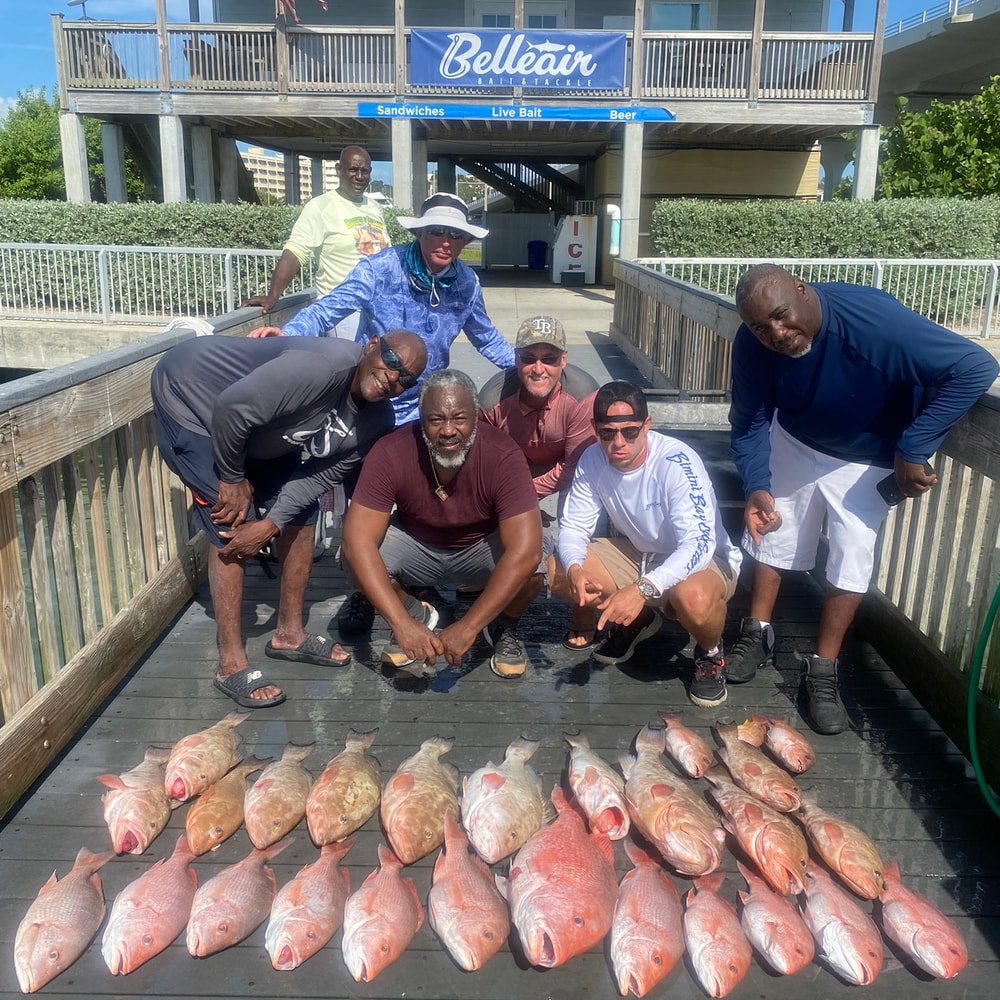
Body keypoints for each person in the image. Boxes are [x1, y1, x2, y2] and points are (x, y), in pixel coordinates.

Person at [727, 263, 998, 734]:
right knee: (771, 533)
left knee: (851, 558)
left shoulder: (873, 324)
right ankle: (757, 632)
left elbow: (976, 366)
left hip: (869, 455)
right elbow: (749, 418)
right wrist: (756, 482)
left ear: (802, 289)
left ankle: (824, 668)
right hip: (794, 437)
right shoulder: (752, 343)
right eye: (759, 326)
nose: (776, 332)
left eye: (781, 315)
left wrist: (915, 446)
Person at [252, 192, 516, 637]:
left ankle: (412, 581)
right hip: (370, 407)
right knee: (363, 503)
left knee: (422, 498)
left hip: (425, 412)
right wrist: (286, 335)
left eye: (457, 234)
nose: (446, 241)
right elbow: (329, 307)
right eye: (437, 231)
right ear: (418, 231)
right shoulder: (381, 267)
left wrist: (529, 371)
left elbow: (488, 339)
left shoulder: (467, 283)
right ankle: (361, 595)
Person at [151, 329, 427, 709]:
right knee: (229, 514)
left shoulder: (376, 419)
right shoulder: (322, 367)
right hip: (192, 397)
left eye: (406, 378)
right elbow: (232, 407)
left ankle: (289, 634)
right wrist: (233, 478)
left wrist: (272, 522)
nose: (393, 377)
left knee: (302, 509)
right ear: (371, 345)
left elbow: (319, 477)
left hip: (259, 428)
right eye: (392, 361)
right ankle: (230, 662)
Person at [341, 369, 543, 679]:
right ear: (420, 419)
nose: (448, 431)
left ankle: (501, 625)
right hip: (417, 544)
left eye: (459, 418)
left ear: (476, 417)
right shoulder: (391, 450)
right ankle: (414, 613)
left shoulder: (503, 454)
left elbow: (526, 550)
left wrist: (467, 627)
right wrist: (400, 624)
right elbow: (357, 541)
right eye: (436, 420)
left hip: (480, 546)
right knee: (352, 557)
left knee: (540, 562)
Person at [550, 381, 742, 707]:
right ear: (595, 429)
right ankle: (636, 620)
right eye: (608, 433)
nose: (618, 442)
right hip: (641, 553)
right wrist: (575, 567)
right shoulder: (592, 458)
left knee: (692, 598)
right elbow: (572, 528)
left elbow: (697, 545)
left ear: (647, 426)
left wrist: (641, 590)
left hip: (705, 559)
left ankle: (709, 652)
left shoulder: (677, 462)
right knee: (558, 570)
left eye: (630, 431)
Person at [479, 313, 599, 648]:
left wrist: (526, 497)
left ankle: (583, 609)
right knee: (483, 500)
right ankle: (484, 575)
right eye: (528, 358)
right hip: (509, 469)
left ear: (564, 359)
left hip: (570, 469)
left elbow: (577, 466)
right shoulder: (491, 400)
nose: (538, 368)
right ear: (516, 359)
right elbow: (485, 465)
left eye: (549, 359)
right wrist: (516, 502)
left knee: (580, 516)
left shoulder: (584, 394)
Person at [242, 145, 388, 330]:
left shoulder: (374, 207)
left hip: (377, 308)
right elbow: (295, 253)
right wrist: (273, 295)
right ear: (338, 170)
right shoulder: (320, 207)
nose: (359, 176)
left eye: (364, 171)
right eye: (353, 169)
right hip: (342, 312)